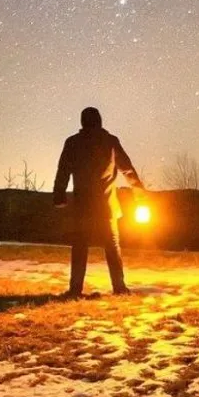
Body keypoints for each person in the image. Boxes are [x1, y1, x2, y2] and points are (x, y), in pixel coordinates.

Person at [53, 106, 145, 298]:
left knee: (79, 246)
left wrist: (59, 194)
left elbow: (63, 171)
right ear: (100, 121)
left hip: (83, 205)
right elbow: (127, 169)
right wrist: (139, 192)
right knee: (112, 246)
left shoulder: (73, 143)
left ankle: (75, 289)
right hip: (106, 205)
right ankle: (119, 287)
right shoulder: (110, 142)